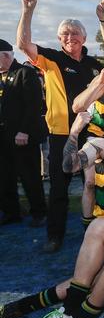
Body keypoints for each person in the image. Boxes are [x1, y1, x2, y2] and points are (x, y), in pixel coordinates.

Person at [17, 0, 103, 252]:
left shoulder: (93, 65)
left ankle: (98, 233)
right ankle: (55, 236)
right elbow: (22, 44)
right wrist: (28, 10)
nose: (70, 37)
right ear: (59, 39)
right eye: (65, 34)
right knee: (59, 190)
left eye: (75, 33)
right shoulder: (51, 58)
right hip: (60, 136)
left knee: (96, 184)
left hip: (92, 134)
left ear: (84, 38)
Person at [0, 38, 47, 226]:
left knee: (30, 176)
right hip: (2, 137)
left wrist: (24, 131)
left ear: (5, 56)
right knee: (4, 177)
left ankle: (39, 213)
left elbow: (33, 106)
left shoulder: (24, 73)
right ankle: (12, 212)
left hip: (22, 137)